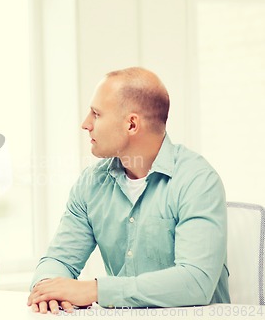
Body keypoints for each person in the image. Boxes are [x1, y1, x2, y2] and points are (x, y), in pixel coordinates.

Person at [27, 67, 230, 313]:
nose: (85, 124)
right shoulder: (92, 183)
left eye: (96, 114)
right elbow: (58, 260)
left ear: (132, 124)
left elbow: (196, 282)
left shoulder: (197, 180)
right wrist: (47, 288)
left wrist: (95, 290)